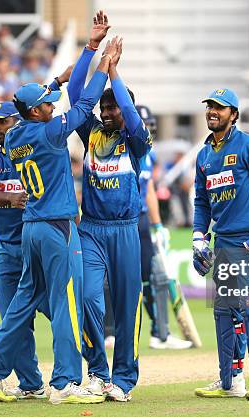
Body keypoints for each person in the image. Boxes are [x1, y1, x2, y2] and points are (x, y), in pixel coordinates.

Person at [0, 35, 119, 405]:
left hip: (32, 230)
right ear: (36, 112)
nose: (53, 108)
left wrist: (65, 74)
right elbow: (85, 104)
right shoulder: (51, 132)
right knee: (65, 304)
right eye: (47, 106)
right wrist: (103, 64)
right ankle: (65, 382)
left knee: (22, 304)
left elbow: (35, 105)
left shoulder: (16, 134)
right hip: (57, 227)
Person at [66, 11, 151, 402]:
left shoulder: (135, 140)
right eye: (105, 107)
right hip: (92, 230)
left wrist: (114, 74)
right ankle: (98, 372)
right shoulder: (91, 133)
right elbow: (74, 96)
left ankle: (124, 379)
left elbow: (133, 118)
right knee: (88, 299)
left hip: (125, 231)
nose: (108, 111)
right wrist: (92, 48)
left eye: (113, 106)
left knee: (127, 305)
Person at [192, 88, 249, 400]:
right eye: (210, 107)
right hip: (223, 243)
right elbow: (202, 202)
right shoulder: (204, 155)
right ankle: (230, 381)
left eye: (220, 107)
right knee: (224, 312)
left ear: (234, 114)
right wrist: (198, 237)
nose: (212, 112)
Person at [0, 98, 58, 400]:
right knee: (13, 316)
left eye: (3, 121)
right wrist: (14, 199)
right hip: (7, 248)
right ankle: (31, 383)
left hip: (35, 246)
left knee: (59, 311)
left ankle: (95, 366)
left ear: (19, 121)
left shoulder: (35, 152)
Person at [103, 105, 192, 350]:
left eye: (152, 125)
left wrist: (157, 225)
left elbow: (150, 190)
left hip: (142, 221)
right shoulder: (114, 148)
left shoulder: (148, 154)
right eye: (146, 125)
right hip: (119, 220)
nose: (149, 130)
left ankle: (160, 333)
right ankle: (108, 331)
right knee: (110, 278)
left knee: (155, 278)